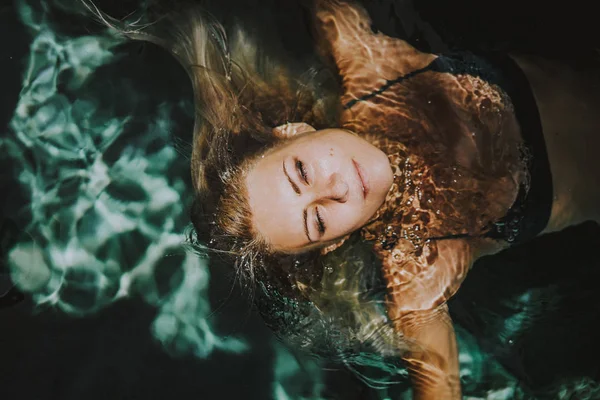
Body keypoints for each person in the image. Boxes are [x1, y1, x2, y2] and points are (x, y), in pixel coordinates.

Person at [84, 0, 600, 398]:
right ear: (333, 244)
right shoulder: (419, 267)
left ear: (292, 131)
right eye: (317, 223)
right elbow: (439, 385)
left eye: (302, 171)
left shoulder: (372, 68)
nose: (332, 190)